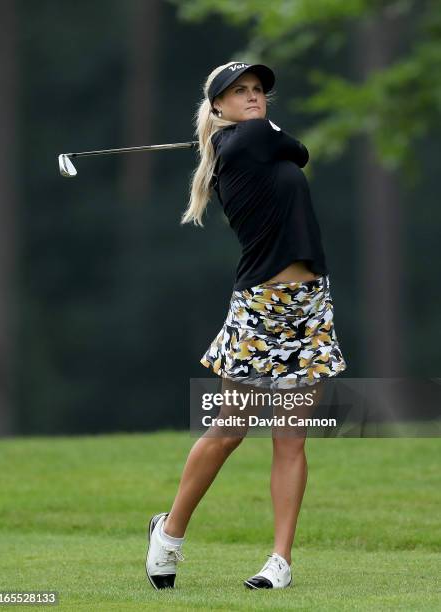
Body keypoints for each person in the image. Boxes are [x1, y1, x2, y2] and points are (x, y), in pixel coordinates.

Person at [145, 61, 347, 591]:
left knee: (291, 439)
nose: (254, 97)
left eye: (258, 90)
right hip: (261, 308)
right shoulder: (243, 143)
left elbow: (294, 151)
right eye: (240, 91)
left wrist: (267, 136)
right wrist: (265, 133)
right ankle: (168, 533)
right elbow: (298, 150)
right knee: (229, 430)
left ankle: (279, 561)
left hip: (309, 303)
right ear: (216, 108)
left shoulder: (245, 143)